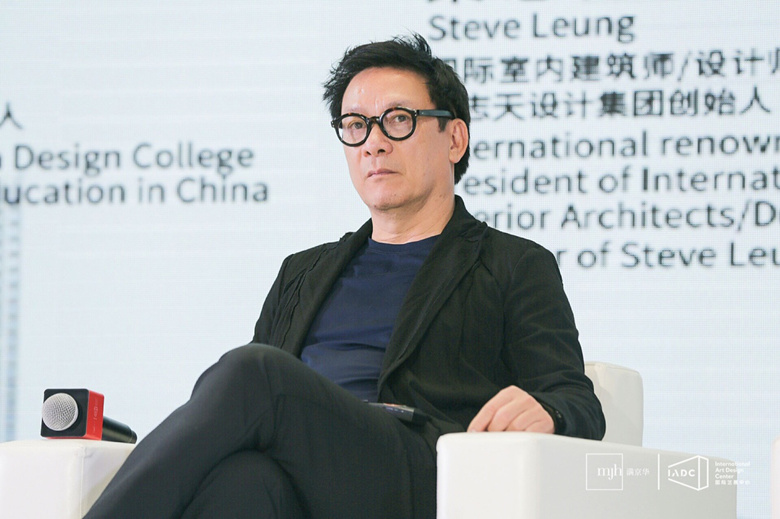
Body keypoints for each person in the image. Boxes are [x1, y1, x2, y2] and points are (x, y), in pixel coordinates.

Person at [84, 34, 605, 519]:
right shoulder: (302, 272)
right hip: (303, 477)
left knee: (253, 372)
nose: (373, 143)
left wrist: (550, 412)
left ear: (455, 138)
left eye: (397, 119)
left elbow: (576, 400)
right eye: (356, 125)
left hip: (417, 474)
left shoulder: (513, 263)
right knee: (241, 482)